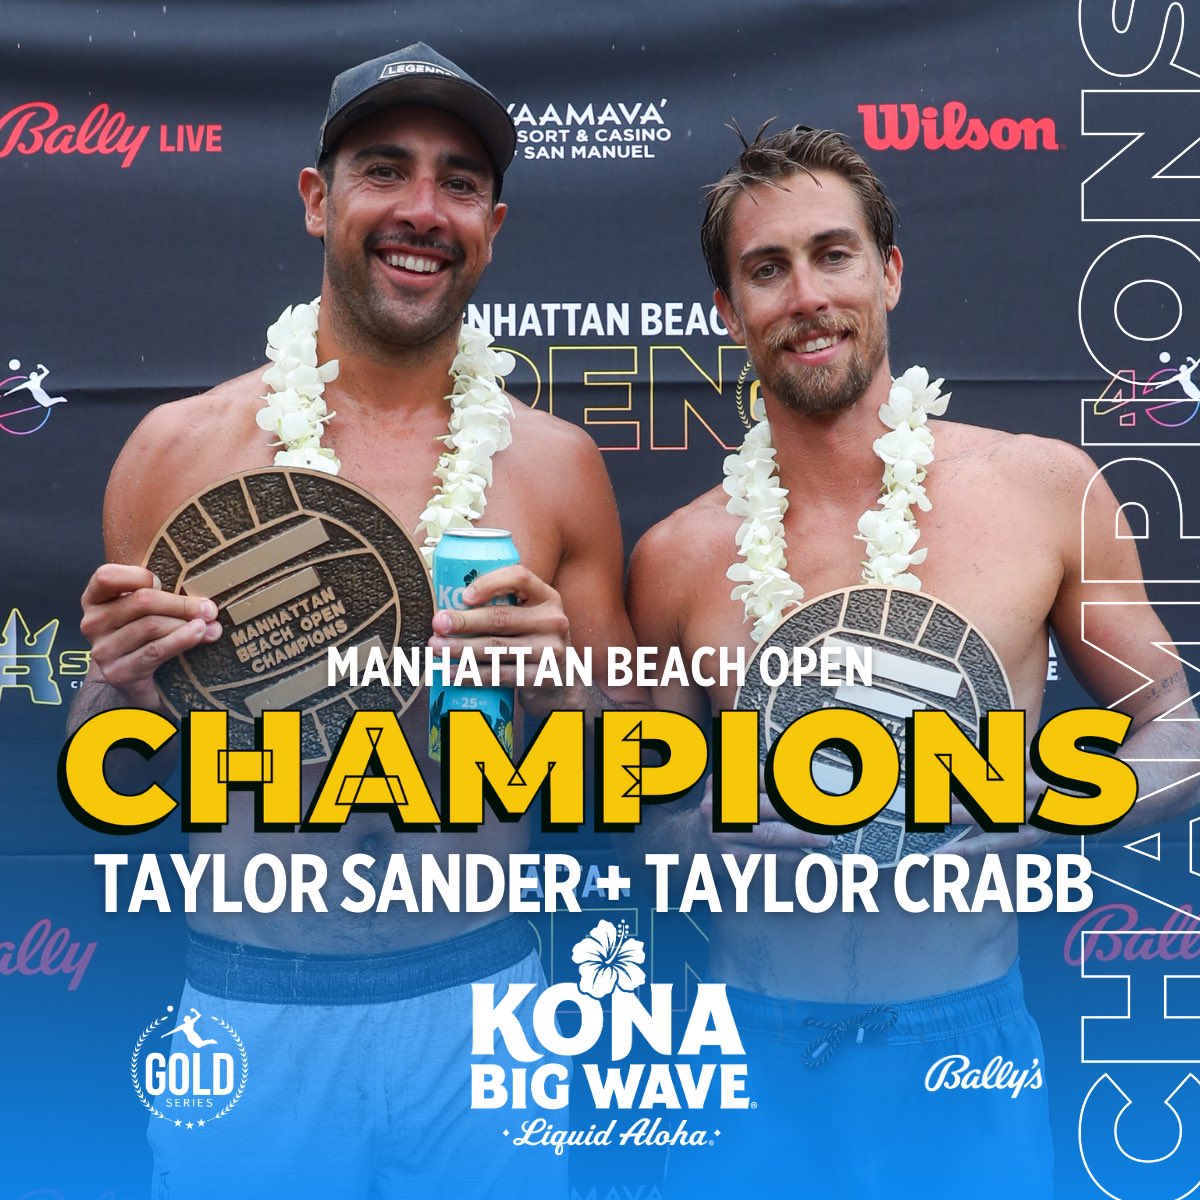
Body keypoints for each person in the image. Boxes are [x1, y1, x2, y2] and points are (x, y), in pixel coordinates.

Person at [72, 44, 634, 1200]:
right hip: (250, 1005)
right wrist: (118, 690)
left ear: (492, 227)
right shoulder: (176, 454)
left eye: (459, 182)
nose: (422, 209)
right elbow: (109, 779)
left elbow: (628, 781)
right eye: (384, 170)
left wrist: (565, 694)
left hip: (485, 999)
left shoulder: (558, 467)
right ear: (317, 200)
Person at [626, 124, 1198, 1198]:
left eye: (833, 254)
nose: (807, 296)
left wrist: (1052, 808)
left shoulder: (1043, 490)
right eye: (767, 269)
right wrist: (716, 830)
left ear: (888, 272)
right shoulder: (677, 558)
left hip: (964, 1047)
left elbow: (1177, 723)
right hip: (747, 1054)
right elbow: (643, 809)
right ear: (728, 312)